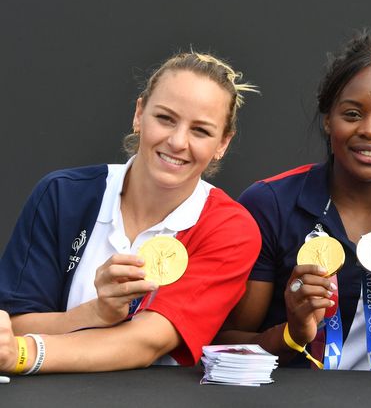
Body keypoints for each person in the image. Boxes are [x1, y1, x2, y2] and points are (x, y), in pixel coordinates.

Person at [215, 32, 371, 372]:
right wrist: (292, 333)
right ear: (327, 120)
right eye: (352, 114)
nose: (370, 129)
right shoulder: (270, 204)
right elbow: (222, 345)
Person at [0, 51, 261, 374]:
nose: (178, 141)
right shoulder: (62, 194)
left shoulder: (230, 228)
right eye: (165, 118)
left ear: (223, 143)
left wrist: (24, 354)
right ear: (139, 114)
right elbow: (15, 325)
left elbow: (146, 342)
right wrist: (95, 314)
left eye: (201, 131)